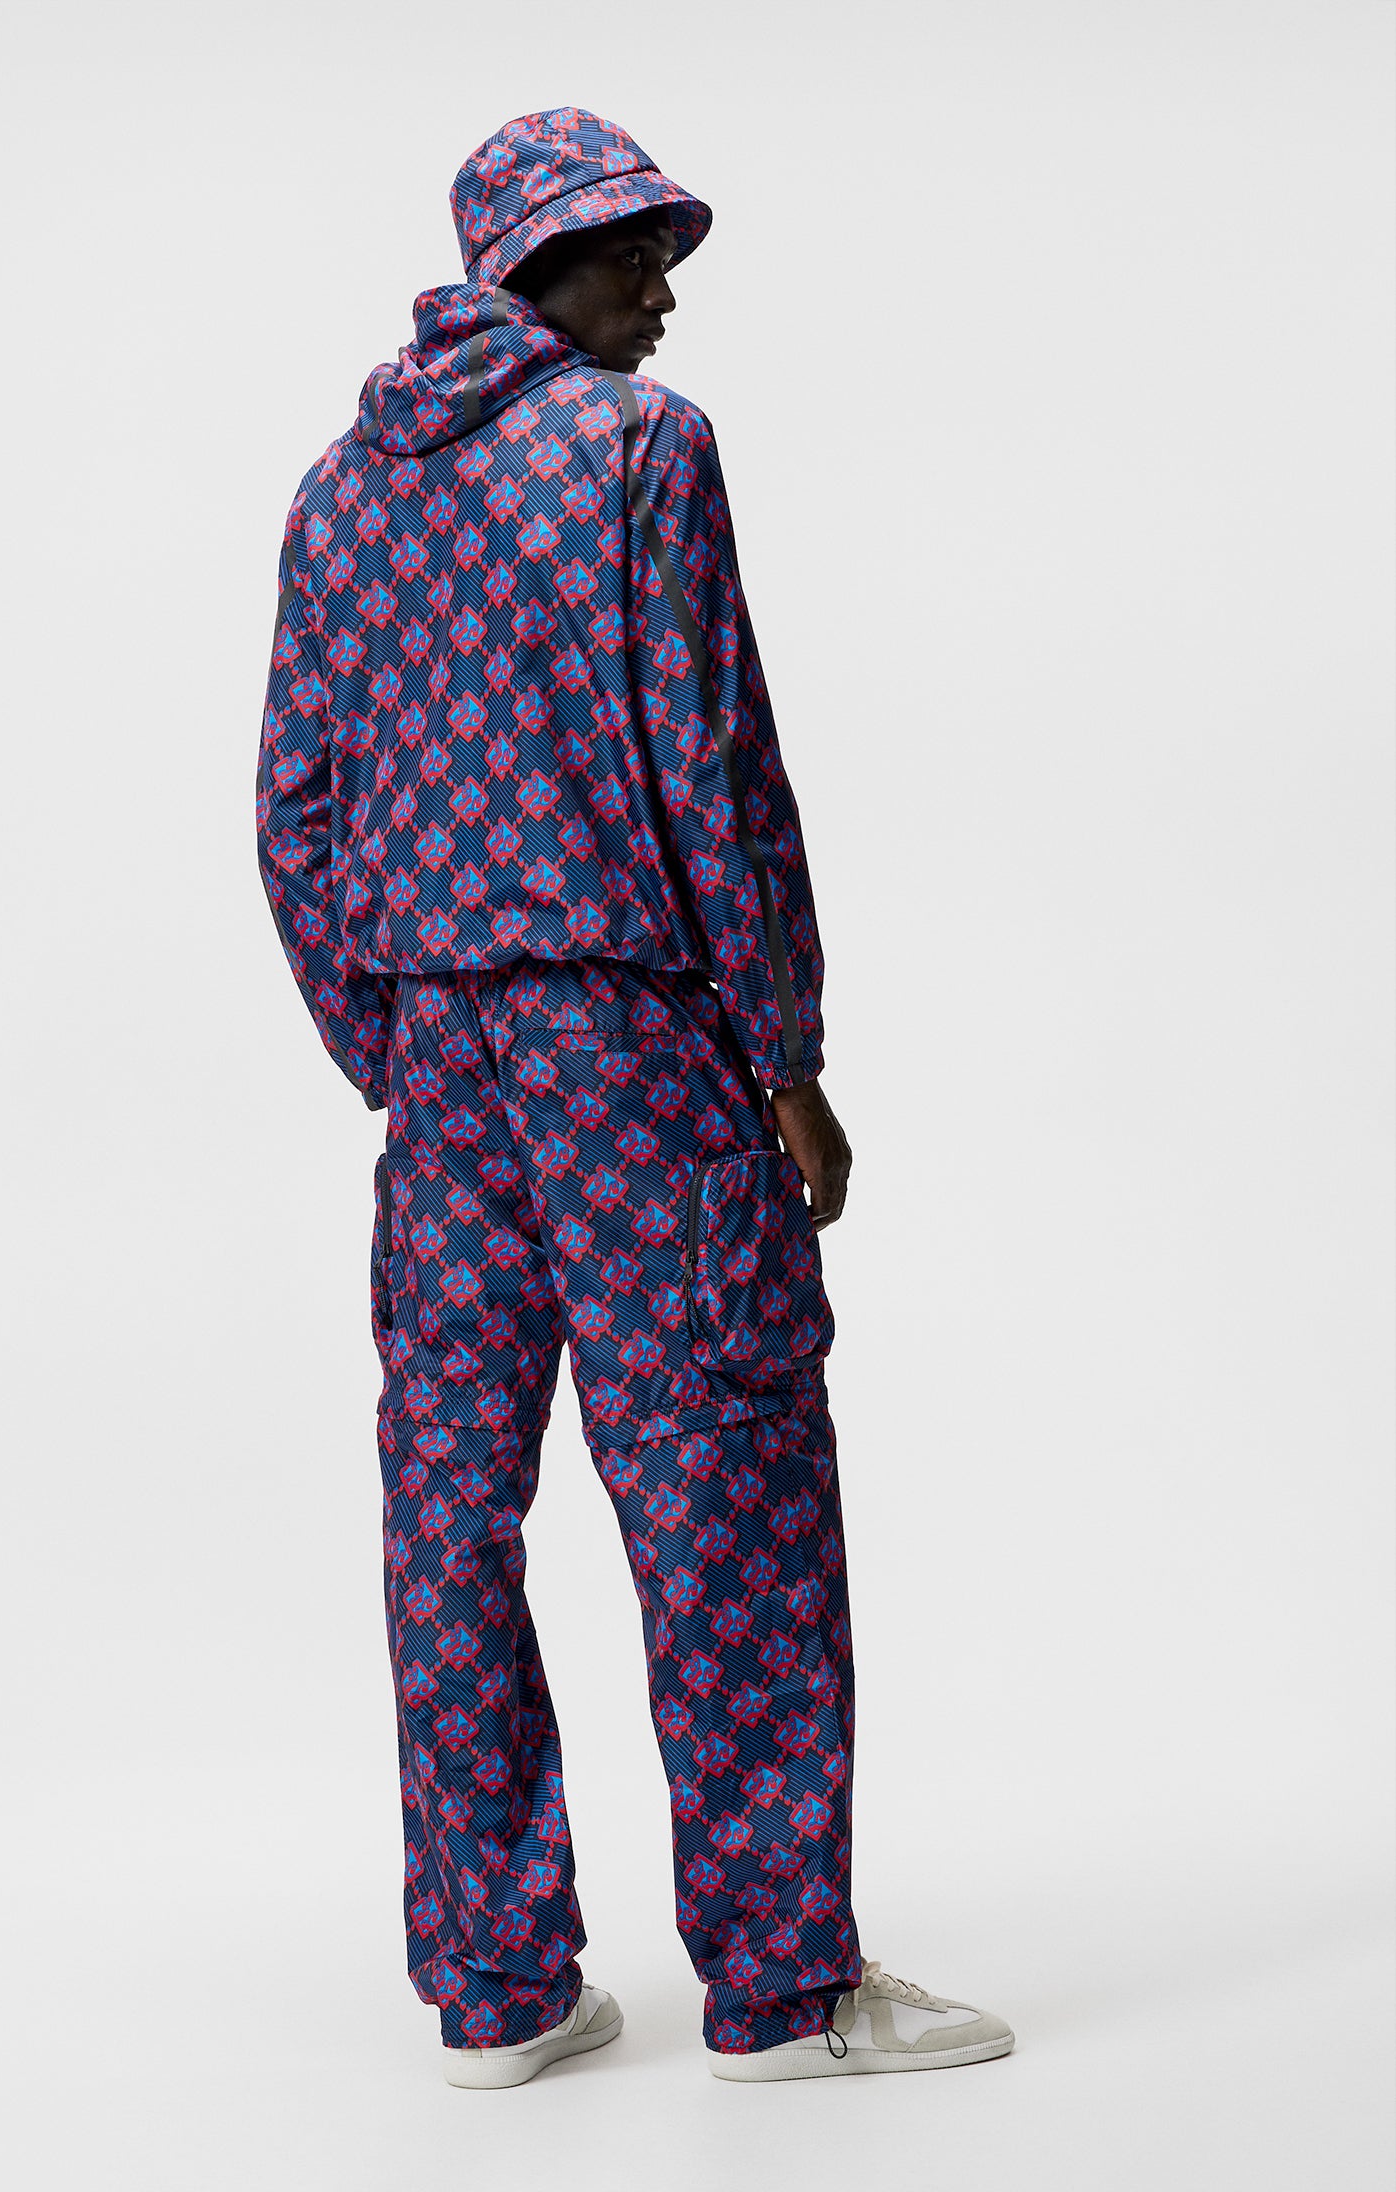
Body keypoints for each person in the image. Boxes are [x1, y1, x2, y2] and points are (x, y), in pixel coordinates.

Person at [256, 107, 1013, 2089]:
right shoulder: (634, 449)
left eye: (661, 252)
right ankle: (782, 1987)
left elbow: (292, 808)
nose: (660, 289)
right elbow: (714, 766)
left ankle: (495, 1989)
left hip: (444, 1071)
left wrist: (393, 1039)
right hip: (631, 1050)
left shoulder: (341, 489)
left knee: (448, 1510)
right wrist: (784, 1054)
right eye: (627, 254)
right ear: (532, 270)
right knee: (723, 1486)